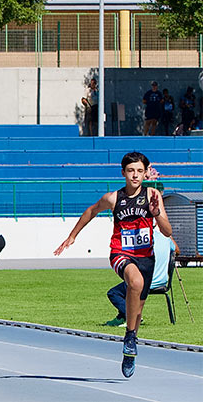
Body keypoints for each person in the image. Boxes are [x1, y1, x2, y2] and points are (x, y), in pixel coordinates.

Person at [55, 151, 172, 378]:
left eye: (139, 171)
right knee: (134, 282)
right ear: (123, 173)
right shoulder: (113, 198)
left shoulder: (153, 196)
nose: (135, 176)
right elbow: (91, 211)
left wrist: (157, 215)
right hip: (121, 253)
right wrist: (72, 236)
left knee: (137, 312)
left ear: (146, 173)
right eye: (130, 171)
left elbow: (167, 232)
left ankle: (130, 346)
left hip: (146, 257)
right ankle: (129, 337)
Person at [104, 232, 179, 326]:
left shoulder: (143, 240)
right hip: (162, 282)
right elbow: (177, 250)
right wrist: (169, 237)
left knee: (114, 293)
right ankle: (122, 316)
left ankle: (132, 316)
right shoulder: (165, 238)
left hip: (145, 281)